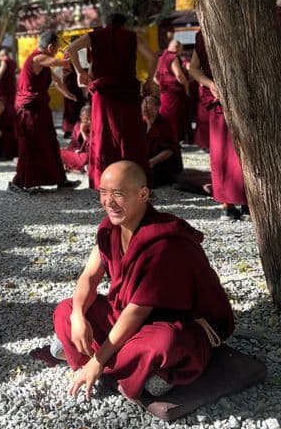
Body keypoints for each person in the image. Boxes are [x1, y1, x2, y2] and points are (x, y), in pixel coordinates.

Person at [52, 161, 234, 402]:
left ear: (143, 194)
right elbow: (89, 276)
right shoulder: (109, 228)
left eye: (118, 194)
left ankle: (102, 362)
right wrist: (77, 316)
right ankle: (134, 370)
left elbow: (137, 313)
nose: (109, 202)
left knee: (163, 344)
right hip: (127, 314)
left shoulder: (164, 242)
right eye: (103, 193)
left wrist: (96, 361)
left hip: (174, 321)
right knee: (65, 309)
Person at [66, 13, 157, 189]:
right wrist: (149, 80)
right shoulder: (132, 37)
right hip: (127, 93)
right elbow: (153, 57)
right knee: (131, 136)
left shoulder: (95, 35)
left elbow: (70, 49)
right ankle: (136, 182)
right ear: (124, 25)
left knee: (104, 135)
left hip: (103, 94)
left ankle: (104, 181)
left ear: (105, 23)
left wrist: (80, 72)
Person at [10, 30, 81, 193]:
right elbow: (63, 64)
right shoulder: (37, 58)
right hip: (29, 112)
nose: (57, 50)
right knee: (30, 145)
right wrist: (70, 52)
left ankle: (60, 180)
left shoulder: (44, 64)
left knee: (49, 143)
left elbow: (56, 82)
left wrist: (69, 94)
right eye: (57, 47)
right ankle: (18, 182)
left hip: (40, 110)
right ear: (50, 47)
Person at [190, 30, 247, 220]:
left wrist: (209, 84)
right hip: (224, 99)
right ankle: (229, 204)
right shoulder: (237, 28)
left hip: (236, 98)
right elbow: (194, 68)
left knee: (231, 152)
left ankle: (238, 203)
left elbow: (193, 69)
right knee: (225, 153)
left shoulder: (204, 33)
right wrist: (211, 84)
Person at [141, 95, 183, 187]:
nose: (145, 106)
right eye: (143, 103)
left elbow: (170, 150)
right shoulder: (139, 123)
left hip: (162, 162)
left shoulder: (165, 123)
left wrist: (151, 162)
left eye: (149, 103)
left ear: (157, 107)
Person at [155, 39, 190, 142]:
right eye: (181, 50)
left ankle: (165, 137)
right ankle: (175, 138)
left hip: (164, 91)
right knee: (175, 116)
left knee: (165, 114)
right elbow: (179, 75)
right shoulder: (173, 57)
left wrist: (161, 83)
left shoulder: (160, 58)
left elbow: (154, 76)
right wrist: (187, 87)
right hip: (175, 91)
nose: (180, 52)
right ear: (177, 47)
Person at [61, 104, 91, 173]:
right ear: (81, 118)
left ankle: (78, 167)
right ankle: (84, 167)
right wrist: (77, 151)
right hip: (79, 156)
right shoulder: (77, 126)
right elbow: (72, 146)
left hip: (89, 156)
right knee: (61, 153)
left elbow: (92, 148)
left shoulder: (95, 127)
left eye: (91, 119)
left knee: (86, 157)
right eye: (86, 119)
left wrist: (83, 133)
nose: (89, 122)